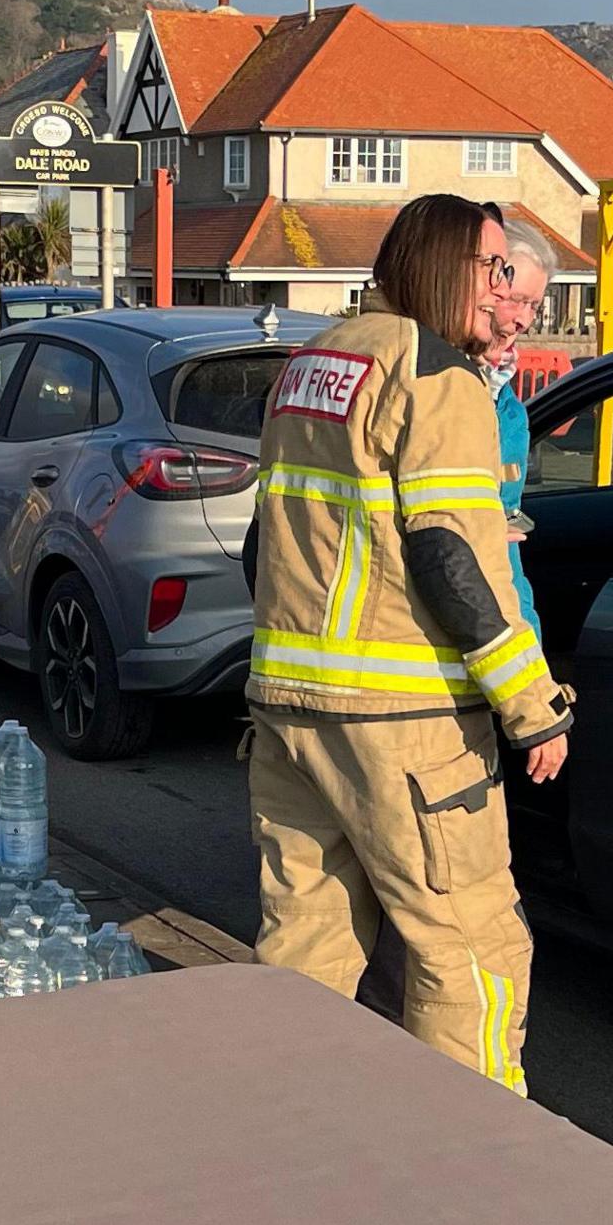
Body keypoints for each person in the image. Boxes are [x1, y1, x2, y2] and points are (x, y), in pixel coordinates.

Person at [243, 193, 572, 1092]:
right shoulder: (438, 378)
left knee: (304, 946)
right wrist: (533, 708)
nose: (503, 289)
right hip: (408, 724)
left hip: (287, 710)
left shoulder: (311, 363)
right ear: (442, 266)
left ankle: (292, 1131)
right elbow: (450, 555)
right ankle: (473, 1157)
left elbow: (261, 541)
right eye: (494, 268)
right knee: (471, 950)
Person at [482, 217, 559, 641]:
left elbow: (505, 543)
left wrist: (528, 647)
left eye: (535, 306)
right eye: (517, 301)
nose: (525, 320)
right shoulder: (436, 388)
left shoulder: (509, 412)